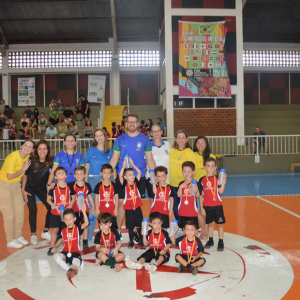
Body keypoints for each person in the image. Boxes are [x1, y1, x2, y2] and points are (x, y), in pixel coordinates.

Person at [109, 113, 155, 240]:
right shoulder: (120, 139)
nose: (132, 124)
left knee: (135, 205)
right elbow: (114, 158)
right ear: (126, 124)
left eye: (134, 121)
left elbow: (150, 160)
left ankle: (135, 231)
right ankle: (117, 231)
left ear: (138, 123)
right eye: (129, 122)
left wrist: (154, 176)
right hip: (123, 178)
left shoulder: (145, 139)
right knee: (120, 204)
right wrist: (107, 172)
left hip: (138, 177)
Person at [0, 140, 34, 248]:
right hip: (4, 185)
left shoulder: (27, 158)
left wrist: (23, 189)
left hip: (16, 186)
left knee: (20, 212)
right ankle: (10, 240)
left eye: (30, 147)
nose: (27, 149)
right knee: (9, 215)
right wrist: (23, 169)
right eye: (25, 146)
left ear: (32, 150)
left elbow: (25, 176)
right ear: (22, 146)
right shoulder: (12, 157)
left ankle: (18, 236)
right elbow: (10, 176)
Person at [85, 128, 115, 240]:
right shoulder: (90, 150)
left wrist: (114, 183)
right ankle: (88, 238)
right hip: (92, 182)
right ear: (94, 138)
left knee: (107, 208)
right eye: (96, 135)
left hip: (107, 182)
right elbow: (87, 168)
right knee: (92, 209)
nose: (99, 137)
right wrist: (85, 184)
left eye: (101, 135)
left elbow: (113, 170)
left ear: (105, 136)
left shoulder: (111, 151)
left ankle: (108, 236)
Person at [21, 140, 53, 245]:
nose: (42, 151)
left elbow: (53, 174)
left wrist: (52, 183)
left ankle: (46, 231)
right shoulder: (31, 160)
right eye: (40, 148)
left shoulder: (51, 161)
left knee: (51, 208)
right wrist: (23, 189)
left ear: (48, 150)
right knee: (33, 209)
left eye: (44, 148)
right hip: (30, 187)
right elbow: (25, 175)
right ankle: (33, 234)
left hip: (42, 188)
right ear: (36, 150)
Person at [51, 207, 89, 279]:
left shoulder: (78, 228)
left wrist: (84, 212)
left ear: (74, 219)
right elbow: (60, 240)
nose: (68, 221)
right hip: (65, 252)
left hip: (75, 253)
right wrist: (55, 247)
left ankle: (65, 263)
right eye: (66, 219)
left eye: (70, 219)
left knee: (76, 264)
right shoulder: (63, 230)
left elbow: (86, 223)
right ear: (64, 220)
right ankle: (69, 269)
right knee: (55, 256)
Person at [199, 157, 227, 251]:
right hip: (207, 206)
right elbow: (200, 195)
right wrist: (202, 208)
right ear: (204, 167)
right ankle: (211, 240)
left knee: (219, 224)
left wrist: (223, 182)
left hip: (217, 206)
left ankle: (221, 241)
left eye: (212, 166)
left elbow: (221, 191)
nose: (210, 168)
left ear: (215, 167)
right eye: (208, 166)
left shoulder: (218, 178)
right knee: (210, 224)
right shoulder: (202, 180)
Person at [46, 166, 76, 255]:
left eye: (63, 173)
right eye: (59, 173)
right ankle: (52, 247)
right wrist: (55, 207)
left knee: (66, 229)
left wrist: (69, 207)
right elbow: (48, 200)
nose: (61, 174)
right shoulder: (53, 187)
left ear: (66, 175)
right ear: (55, 177)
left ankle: (67, 246)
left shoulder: (70, 186)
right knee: (54, 230)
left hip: (67, 213)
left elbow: (73, 198)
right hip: (56, 212)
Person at [169, 130, 196, 220]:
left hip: (184, 184)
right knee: (175, 208)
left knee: (185, 207)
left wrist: (188, 183)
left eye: (183, 137)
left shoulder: (189, 152)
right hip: (172, 183)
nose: (181, 139)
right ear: (175, 139)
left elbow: (191, 170)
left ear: (187, 139)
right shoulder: (172, 151)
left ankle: (188, 227)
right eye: (178, 137)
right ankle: (180, 227)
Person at [193, 136, 216, 240]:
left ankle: (205, 232)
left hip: (208, 186)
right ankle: (203, 229)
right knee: (198, 209)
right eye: (198, 143)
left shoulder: (211, 156)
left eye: (203, 142)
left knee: (206, 209)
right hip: (196, 185)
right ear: (195, 145)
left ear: (206, 144)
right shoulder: (192, 155)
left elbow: (214, 172)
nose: (200, 145)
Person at [119, 158, 143, 248]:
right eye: (129, 175)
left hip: (137, 207)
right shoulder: (124, 184)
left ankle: (141, 238)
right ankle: (131, 241)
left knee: (139, 224)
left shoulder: (136, 182)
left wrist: (133, 164)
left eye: (133, 174)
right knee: (130, 226)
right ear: (125, 177)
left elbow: (139, 173)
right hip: (129, 208)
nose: (132, 176)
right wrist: (123, 166)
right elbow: (120, 176)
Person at [146, 124, 171, 211]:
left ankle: (163, 223)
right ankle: (151, 224)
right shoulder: (148, 146)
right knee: (153, 202)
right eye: (154, 131)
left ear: (161, 132)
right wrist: (153, 178)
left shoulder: (167, 144)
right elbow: (146, 163)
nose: (156, 133)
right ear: (151, 133)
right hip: (152, 179)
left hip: (166, 179)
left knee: (165, 202)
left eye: (158, 131)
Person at [70, 166, 94, 250]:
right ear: (74, 175)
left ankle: (85, 242)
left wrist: (93, 205)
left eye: (81, 174)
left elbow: (90, 196)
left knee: (85, 226)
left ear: (85, 175)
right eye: (77, 174)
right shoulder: (71, 185)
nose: (79, 176)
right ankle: (76, 241)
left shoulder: (87, 185)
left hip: (85, 209)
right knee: (75, 226)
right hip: (74, 210)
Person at [94, 164, 118, 230]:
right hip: (102, 210)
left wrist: (116, 209)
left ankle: (113, 239)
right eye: (104, 173)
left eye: (109, 173)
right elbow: (96, 197)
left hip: (111, 210)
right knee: (102, 227)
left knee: (113, 227)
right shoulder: (98, 185)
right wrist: (97, 209)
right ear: (101, 173)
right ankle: (103, 239)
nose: (106, 175)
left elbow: (116, 197)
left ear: (112, 174)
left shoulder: (114, 185)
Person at [177, 161, 200, 231]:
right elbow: (178, 195)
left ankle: (195, 241)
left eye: (189, 171)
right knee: (184, 229)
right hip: (183, 211)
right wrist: (181, 187)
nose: (186, 174)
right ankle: (185, 241)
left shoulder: (196, 183)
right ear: (182, 172)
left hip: (192, 212)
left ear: (193, 172)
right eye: (185, 171)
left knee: (193, 229)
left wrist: (197, 191)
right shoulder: (181, 183)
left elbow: (198, 196)